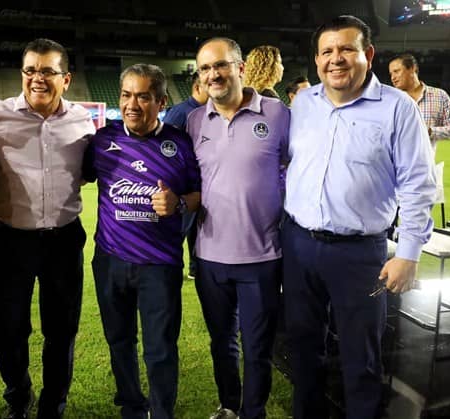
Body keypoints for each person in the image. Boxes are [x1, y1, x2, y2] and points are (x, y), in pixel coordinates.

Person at [283, 15, 436, 419]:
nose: (336, 59)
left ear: (367, 54)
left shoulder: (397, 108)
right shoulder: (303, 105)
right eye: (327, 51)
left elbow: (418, 185)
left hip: (361, 253)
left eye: (346, 49)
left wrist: (409, 253)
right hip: (298, 245)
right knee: (303, 347)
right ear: (316, 60)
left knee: (361, 355)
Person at [0, 38, 95, 419]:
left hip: (64, 239)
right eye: (30, 70)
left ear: (66, 78)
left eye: (47, 71)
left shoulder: (82, 120)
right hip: (11, 239)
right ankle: (19, 395)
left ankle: (52, 406)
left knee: (62, 332)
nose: (37, 78)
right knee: (8, 330)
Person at [82, 63, 201, 419]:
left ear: (161, 101)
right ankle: (132, 408)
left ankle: (162, 413)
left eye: (143, 97)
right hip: (110, 260)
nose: (133, 104)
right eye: (126, 95)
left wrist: (179, 203)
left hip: (159, 265)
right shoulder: (103, 140)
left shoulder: (179, 143)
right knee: (119, 342)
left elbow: (198, 193)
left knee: (160, 348)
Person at [187, 37, 290, 419]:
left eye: (222, 65)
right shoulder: (196, 120)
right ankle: (229, 406)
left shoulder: (278, 114)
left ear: (241, 68)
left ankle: (254, 412)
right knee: (221, 342)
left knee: (257, 347)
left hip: (262, 256)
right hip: (210, 258)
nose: (214, 74)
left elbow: (299, 168)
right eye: (205, 68)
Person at [163, 71, 209, 280]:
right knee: (179, 231)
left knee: (197, 233)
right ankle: (167, 267)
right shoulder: (182, 112)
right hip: (183, 188)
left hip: (201, 187)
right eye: (207, 85)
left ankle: (193, 268)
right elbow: (166, 151)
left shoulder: (208, 111)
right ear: (197, 87)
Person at [389, 53, 450, 151]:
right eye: (391, 74)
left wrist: (429, 131)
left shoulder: (439, 96)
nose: (393, 78)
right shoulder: (390, 100)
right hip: (393, 165)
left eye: (396, 71)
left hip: (426, 165)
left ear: (412, 69)